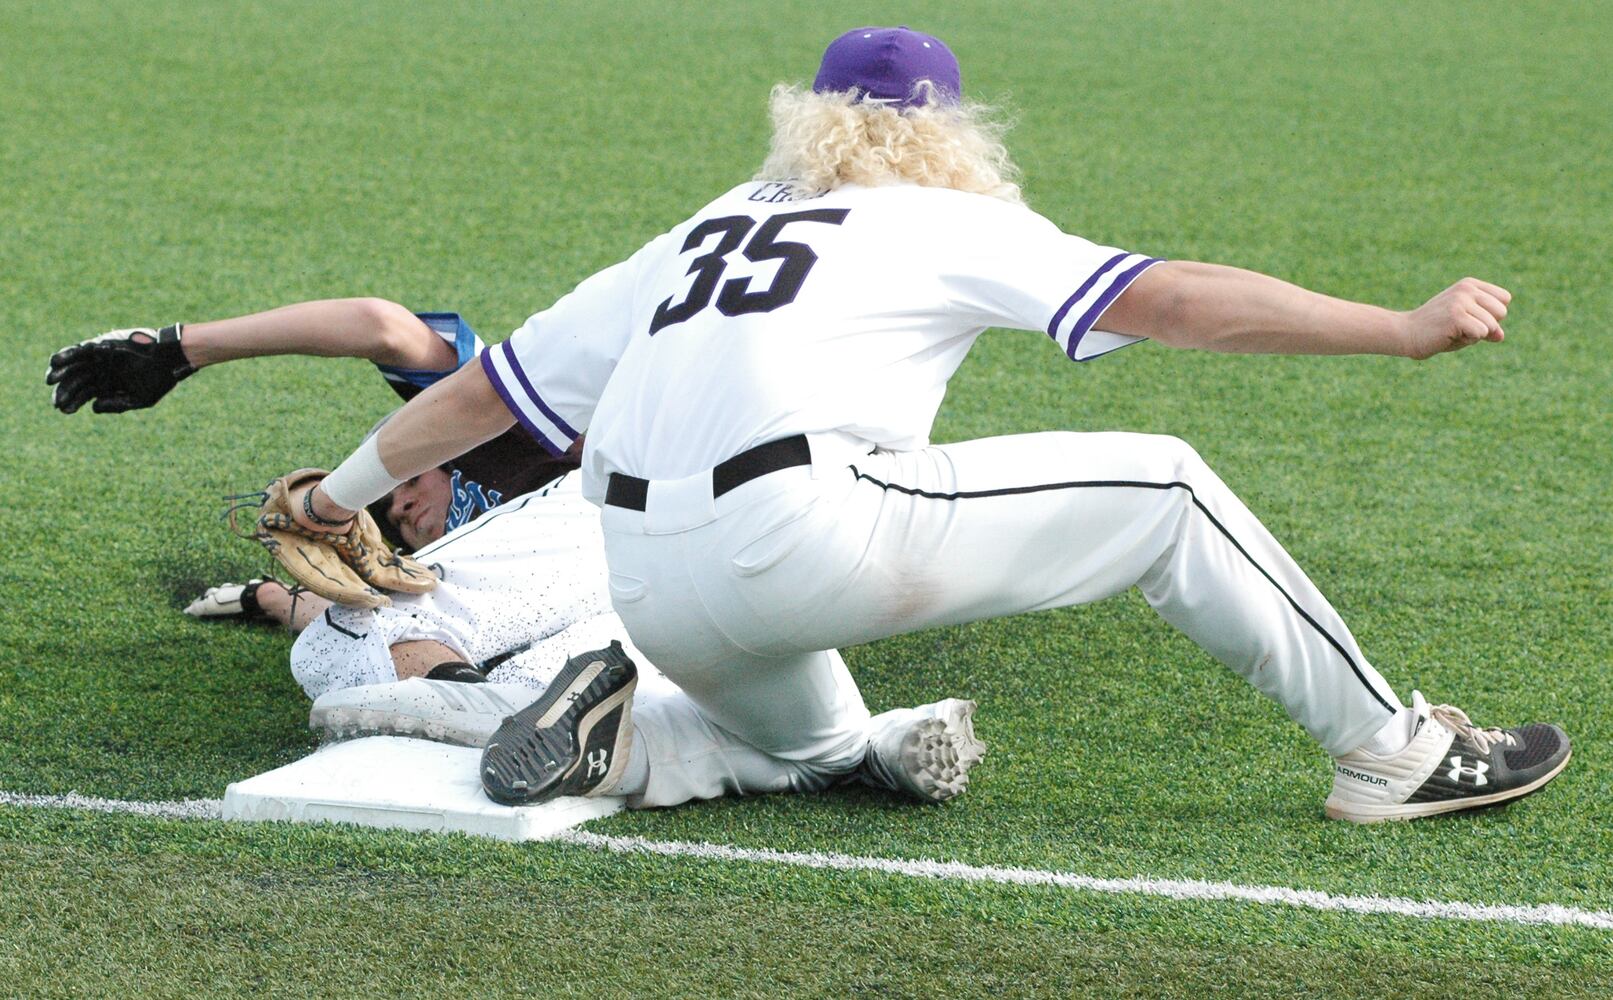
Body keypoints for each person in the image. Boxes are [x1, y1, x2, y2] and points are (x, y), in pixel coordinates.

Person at [272, 26, 1569, 822]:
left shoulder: (703, 228)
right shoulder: (936, 211)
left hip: (649, 583)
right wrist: (1396, 328)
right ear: (943, 130)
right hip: (799, 530)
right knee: (1165, 490)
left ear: (809, 121)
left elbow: (488, 392)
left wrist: (339, 493)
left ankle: (595, 733)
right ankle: (1393, 755)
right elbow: (1173, 302)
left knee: (808, 746)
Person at [47, 298, 579, 626]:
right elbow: (373, 618)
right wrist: (281, 599)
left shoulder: (488, 420)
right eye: (392, 518)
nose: (405, 506)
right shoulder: (444, 577)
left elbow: (380, 327)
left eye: (411, 479)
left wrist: (183, 348)